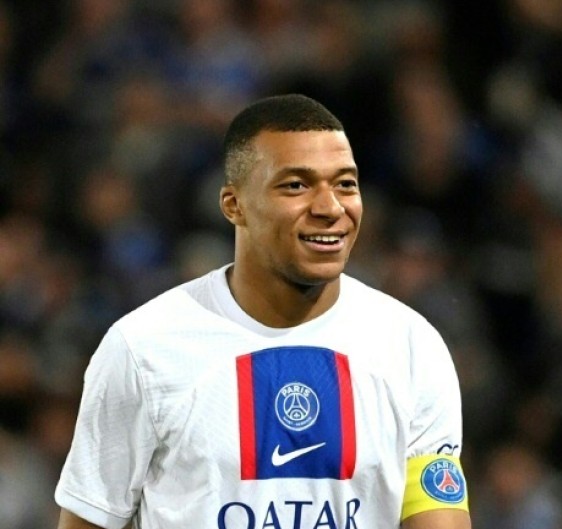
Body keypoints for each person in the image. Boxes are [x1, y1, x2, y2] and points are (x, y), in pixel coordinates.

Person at [54, 94, 471, 529]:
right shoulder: (143, 349)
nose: (330, 207)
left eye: (345, 183)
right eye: (296, 185)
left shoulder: (409, 346)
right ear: (234, 205)